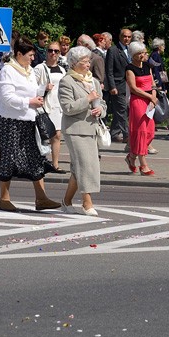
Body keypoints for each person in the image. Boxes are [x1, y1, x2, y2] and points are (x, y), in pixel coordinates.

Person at [0, 38, 61, 212]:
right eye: (30, 55)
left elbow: (31, 90)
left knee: (34, 156)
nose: (33, 59)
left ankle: (41, 198)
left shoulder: (29, 70)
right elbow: (8, 98)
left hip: (27, 119)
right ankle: (4, 198)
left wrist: (41, 91)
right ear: (19, 54)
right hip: (8, 120)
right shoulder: (8, 71)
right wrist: (29, 101)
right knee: (9, 158)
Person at [59, 46, 107, 215]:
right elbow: (67, 108)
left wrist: (100, 109)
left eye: (88, 61)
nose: (88, 64)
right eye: (84, 61)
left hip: (91, 128)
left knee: (77, 168)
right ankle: (87, 203)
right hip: (75, 130)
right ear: (74, 63)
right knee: (85, 166)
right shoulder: (67, 81)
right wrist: (87, 99)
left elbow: (102, 103)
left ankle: (66, 201)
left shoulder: (92, 81)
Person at [125, 40, 158, 175]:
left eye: (144, 53)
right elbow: (133, 87)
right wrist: (149, 96)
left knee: (150, 130)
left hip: (149, 101)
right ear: (133, 55)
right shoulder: (129, 68)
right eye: (140, 53)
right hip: (138, 101)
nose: (143, 55)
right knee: (141, 132)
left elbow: (152, 83)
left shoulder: (147, 66)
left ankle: (131, 157)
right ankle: (143, 165)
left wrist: (154, 97)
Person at [34, 41, 67, 172]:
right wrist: (44, 88)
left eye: (56, 51)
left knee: (57, 135)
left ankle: (55, 164)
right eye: (50, 50)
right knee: (44, 135)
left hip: (58, 106)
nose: (53, 53)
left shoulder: (62, 70)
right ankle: (40, 162)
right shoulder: (39, 68)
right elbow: (31, 87)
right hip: (45, 106)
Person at [104, 28, 133, 143]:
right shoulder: (113, 50)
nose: (127, 39)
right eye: (125, 36)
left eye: (129, 37)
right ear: (120, 37)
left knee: (122, 109)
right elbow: (109, 70)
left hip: (129, 85)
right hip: (118, 85)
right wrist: (112, 86)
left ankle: (114, 133)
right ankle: (127, 135)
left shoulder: (131, 50)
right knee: (122, 110)